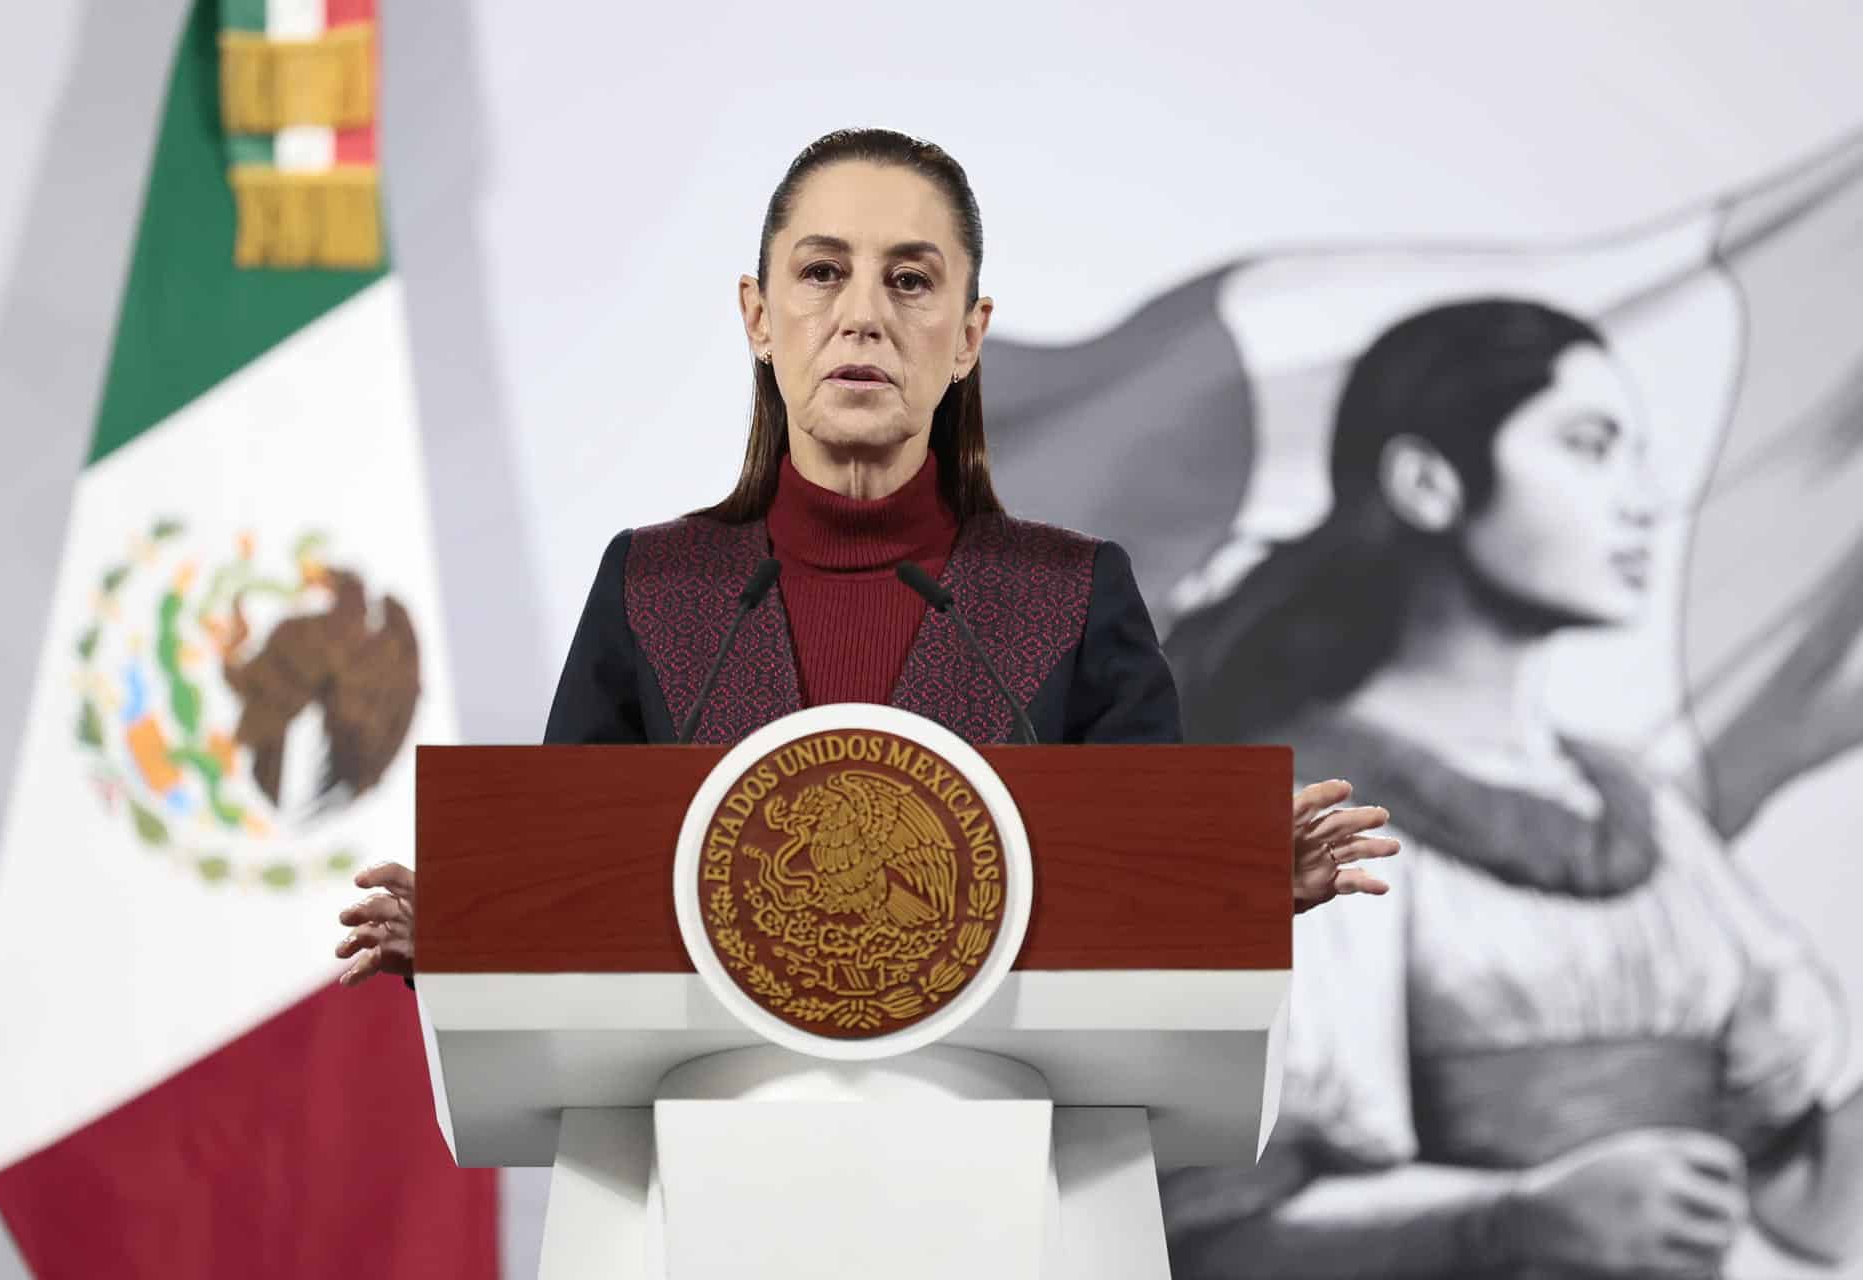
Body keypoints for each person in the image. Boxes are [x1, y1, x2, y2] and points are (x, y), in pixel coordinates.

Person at [332, 128, 1397, 986]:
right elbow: (577, 890)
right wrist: (477, 938)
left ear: (970, 336)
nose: (863, 316)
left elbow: (1142, 888)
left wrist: (1239, 884)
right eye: (822, 272)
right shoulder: (655, 591)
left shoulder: (1071, 596)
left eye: (911, 281)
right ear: (758, 317)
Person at [1158, 299, 1863, 1278]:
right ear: (1428, 482)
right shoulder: (1298, 813)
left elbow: (1806, 1205)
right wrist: (1512, 1218)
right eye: (1590, 445)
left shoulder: (1644, 811)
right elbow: (1213, 1230)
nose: (1643, 499)